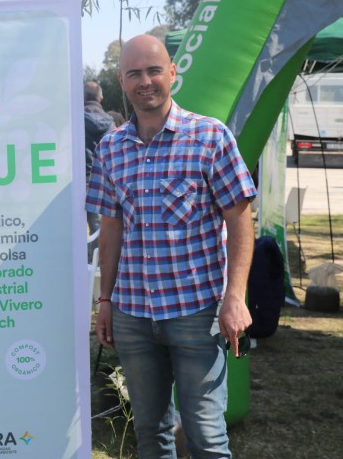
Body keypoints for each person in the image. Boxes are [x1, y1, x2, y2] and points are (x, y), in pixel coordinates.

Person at [87, 34, 257, 458]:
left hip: (195, 313)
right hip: (132, 315)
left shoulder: (210, 137)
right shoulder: (111, 148)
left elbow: (240, 221)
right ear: (121, 81)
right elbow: (111, 229)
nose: (145, 81)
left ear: (172, 73)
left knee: (207, 439)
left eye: (154, 70)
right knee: (150, 435)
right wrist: (105, 300)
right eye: (134, 73)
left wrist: (235, 297)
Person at [83, 80, 114, 258]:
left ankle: (84, 263)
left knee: (79, 227)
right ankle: (97, 262)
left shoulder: (74, 121)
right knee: (100, 226)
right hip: (103, 180)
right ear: (100, 98)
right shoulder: (111, 123)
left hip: (80, 180)